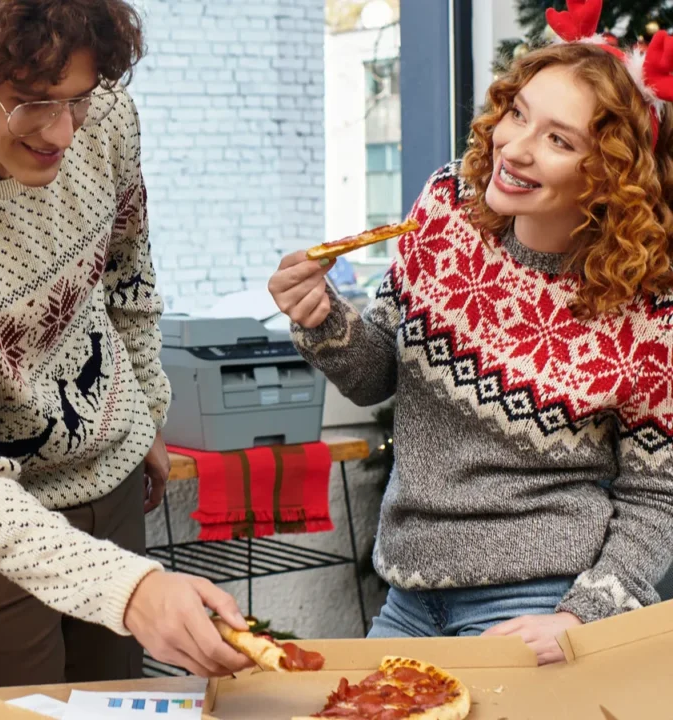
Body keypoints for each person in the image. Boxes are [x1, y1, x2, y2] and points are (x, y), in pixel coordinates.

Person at [0, 0, 252, 687]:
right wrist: (132, 590)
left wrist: (146, 413)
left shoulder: (107, 118)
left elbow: (128, 274)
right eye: (33, 102)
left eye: (77, 98)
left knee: (114, 700)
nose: (63, 131)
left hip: (112, 475)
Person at [268, 11, 673, 666]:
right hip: (408, 594)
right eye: (518, 113)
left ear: (611, 175)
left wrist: (579, 619)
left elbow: (657, 496)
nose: (515, 147)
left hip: (538, 604)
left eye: (558, 140)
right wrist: (323, 319)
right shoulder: (447, 209)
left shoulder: (648, 315)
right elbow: (377, 373)